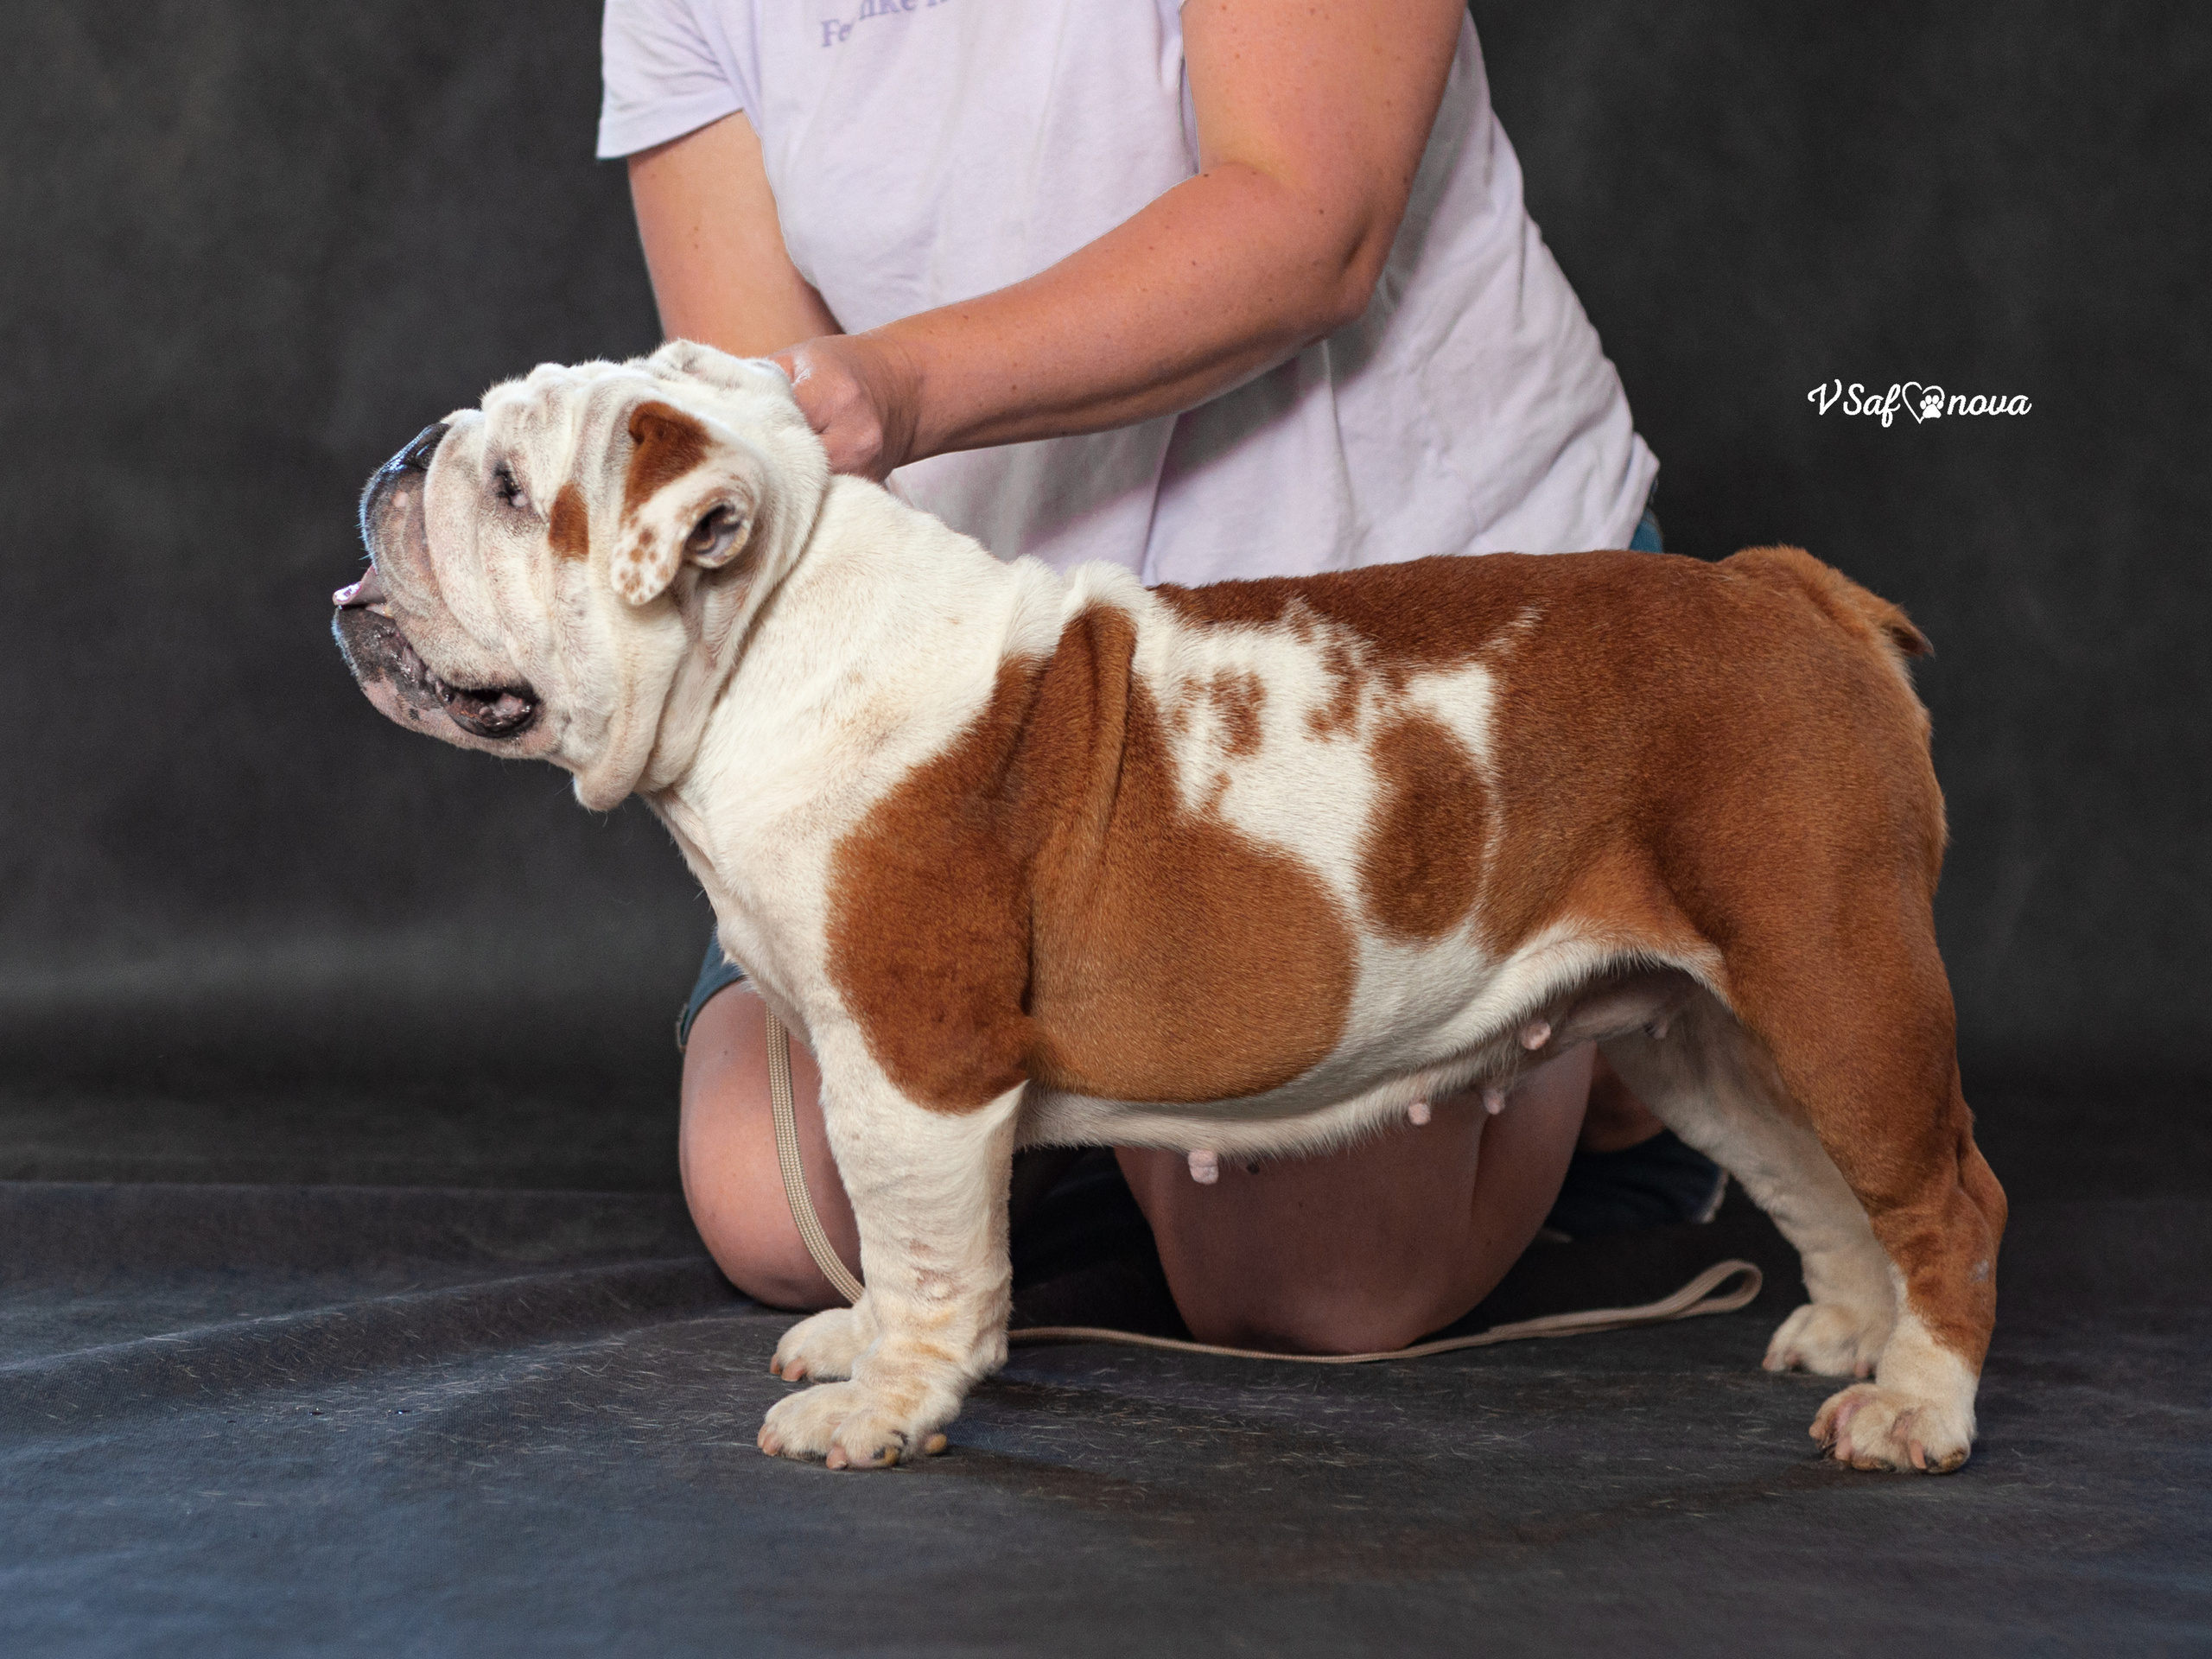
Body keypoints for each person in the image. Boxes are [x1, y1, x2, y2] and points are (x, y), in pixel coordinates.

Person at [599, 0, 1721, 1354]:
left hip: (1379, 606)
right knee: (781, 1214)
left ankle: (1613, 1010)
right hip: (1003, 654)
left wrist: (893, 389)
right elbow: (769, 436)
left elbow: (1312, 223)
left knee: (1310, 1291)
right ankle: (1118, 1103)